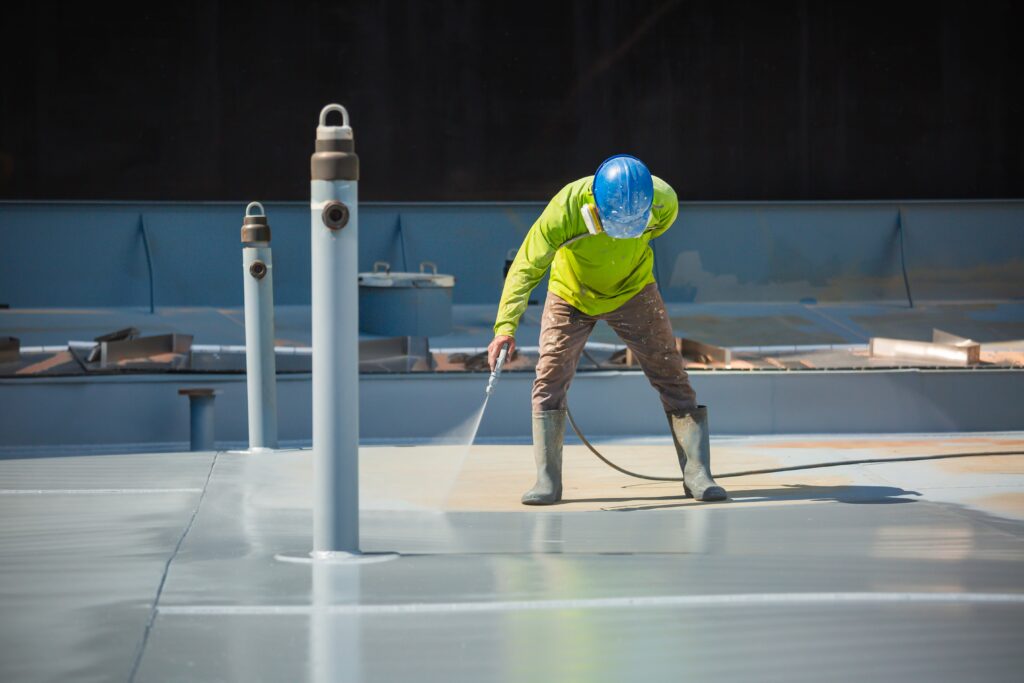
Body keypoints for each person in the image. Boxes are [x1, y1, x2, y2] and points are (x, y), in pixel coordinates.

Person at [487, 154, 727, 505]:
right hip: (572, 294)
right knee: (549, 377)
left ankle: (697, 473)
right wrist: (505, 327)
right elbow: (526, 265)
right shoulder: (566, 209)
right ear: (594, 207)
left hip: (633, 289)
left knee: (670, 371)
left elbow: (656, 229)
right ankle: (547, 480)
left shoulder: (664, 201)